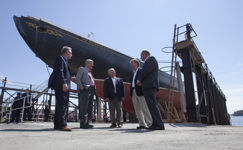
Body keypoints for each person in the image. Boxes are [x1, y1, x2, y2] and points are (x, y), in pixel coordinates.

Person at [137, 50, 165, 130]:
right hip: (148, 86)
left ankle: (159, 125)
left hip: (150, 86)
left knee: (152, 105)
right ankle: (156, 124)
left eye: (141, 55)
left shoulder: (151, 59)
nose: (140, 57)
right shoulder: (149, 61)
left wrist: (139, 80)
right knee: (151, 106)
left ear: (145, 54)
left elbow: (146, 71)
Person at [52, 46, 72, 131]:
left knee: (61, 105)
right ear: (67, 52)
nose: (71, 55)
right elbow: (59, 71)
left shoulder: (64, 61)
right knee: (62, 105)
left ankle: (57, 124)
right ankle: (63, 124)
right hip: (61, 86)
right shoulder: (60, 58)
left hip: (63, 86)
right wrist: (64, 83)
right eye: (71, 53)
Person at [130, 58, 152, 129]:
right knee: (137, 109)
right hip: (133, 91)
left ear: (137, 63)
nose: (131, 65)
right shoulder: (132, 73)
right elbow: (132, 83)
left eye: (132, 63)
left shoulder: (141, 71)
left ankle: (150, 123)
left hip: (140, 91)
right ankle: (142, 124)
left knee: (144, 107)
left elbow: (144, 80)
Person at [76, 59, 96, 129]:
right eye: (91, 64)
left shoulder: (90, 72)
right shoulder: (82, 69)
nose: (92, 65)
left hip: (91, 90)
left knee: (89, 107)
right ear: (87, 63)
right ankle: (83, 123)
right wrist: (81, 87)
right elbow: (78, 78)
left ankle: (87, 122)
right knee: (84, 107)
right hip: (85, 89)